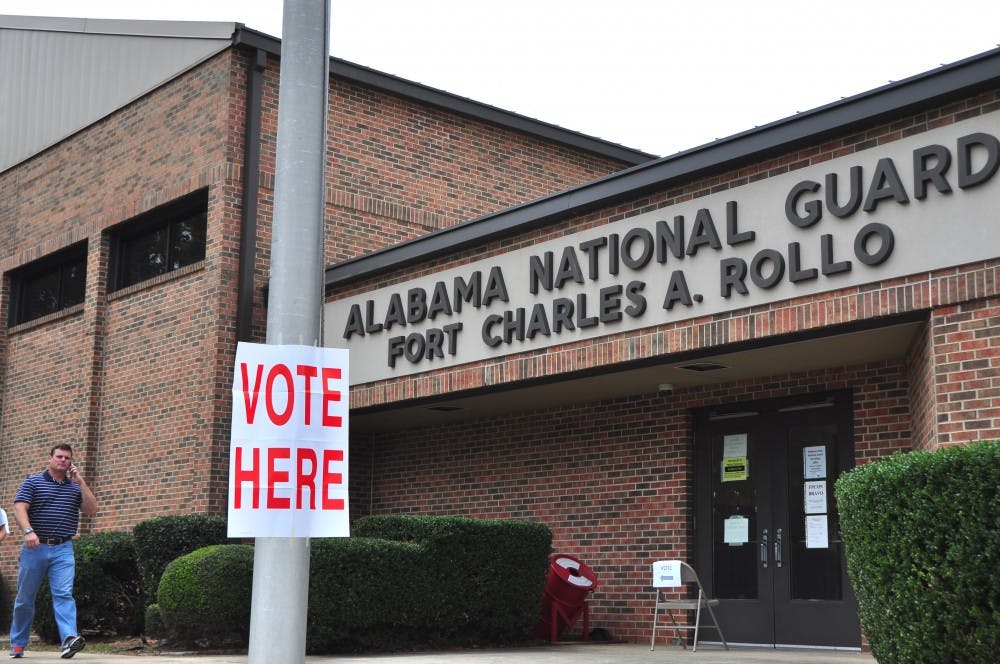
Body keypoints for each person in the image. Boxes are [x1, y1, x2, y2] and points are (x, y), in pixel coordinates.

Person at [8, 444, 97, 659]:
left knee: (64, 594)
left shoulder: (75, 488)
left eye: (67, 458)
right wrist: (28, 531)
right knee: (25, 598)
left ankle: (69, 640)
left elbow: (91, 510)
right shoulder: (33, 482)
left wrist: (81, 482)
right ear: (50, 459)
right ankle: (18, 643)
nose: (63, 461)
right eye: (59, 457)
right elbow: (19, 507)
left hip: (63, 549)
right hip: (35, 548)